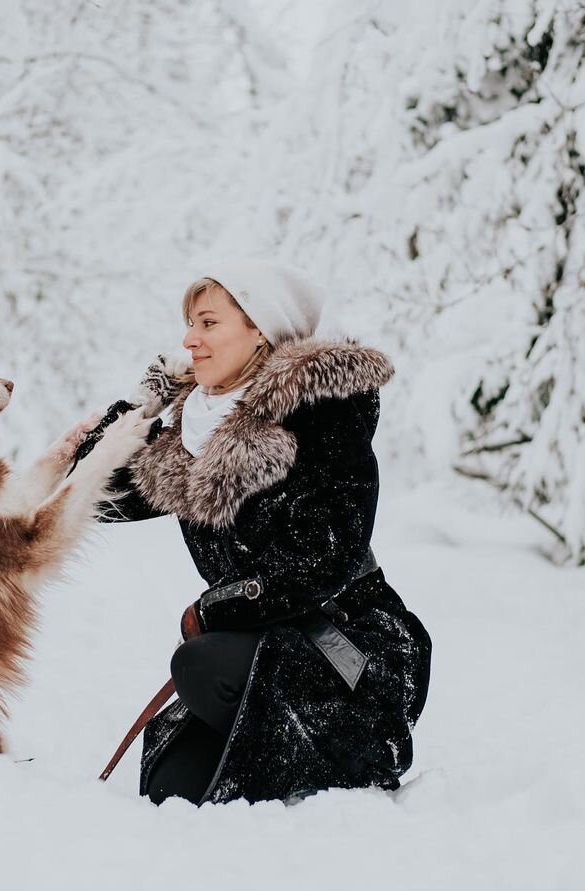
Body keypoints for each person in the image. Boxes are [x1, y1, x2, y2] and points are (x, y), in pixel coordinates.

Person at [91, 261, 432, 806]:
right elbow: (96, 497)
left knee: (197, 666)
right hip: (253, 645)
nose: (189, 340)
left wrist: (214, 610)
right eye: (189, 324)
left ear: (258, 330)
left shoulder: (323, 413)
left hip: (348, 648)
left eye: (208, 323)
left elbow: (325, 555)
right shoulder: (194, 430)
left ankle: (359, 753)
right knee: (168, 789)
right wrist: (141, 405)